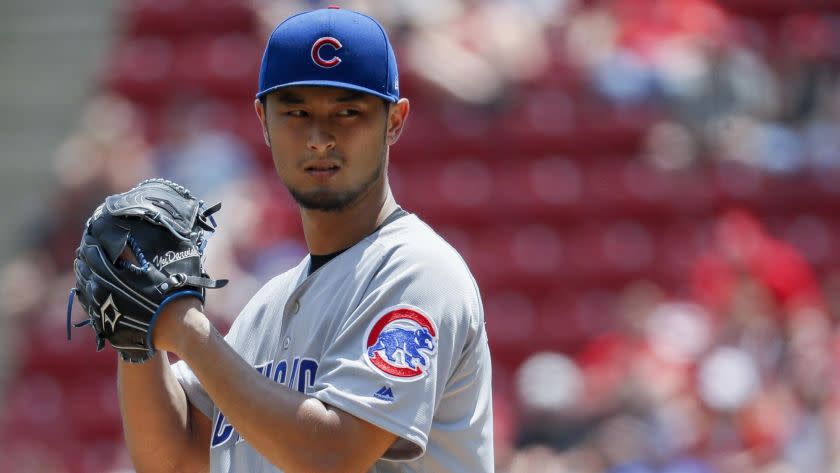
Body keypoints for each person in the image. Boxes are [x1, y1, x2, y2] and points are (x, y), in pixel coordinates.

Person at [117, 6, 494, 473]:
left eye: (348, 112)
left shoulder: (417, 270)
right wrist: (135, 333)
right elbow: (171, 461)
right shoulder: (266, 309)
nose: (319, 137)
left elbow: (331, 456)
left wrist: (190, 333)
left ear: (394, 120)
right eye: (296, 111)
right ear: (263, 120)